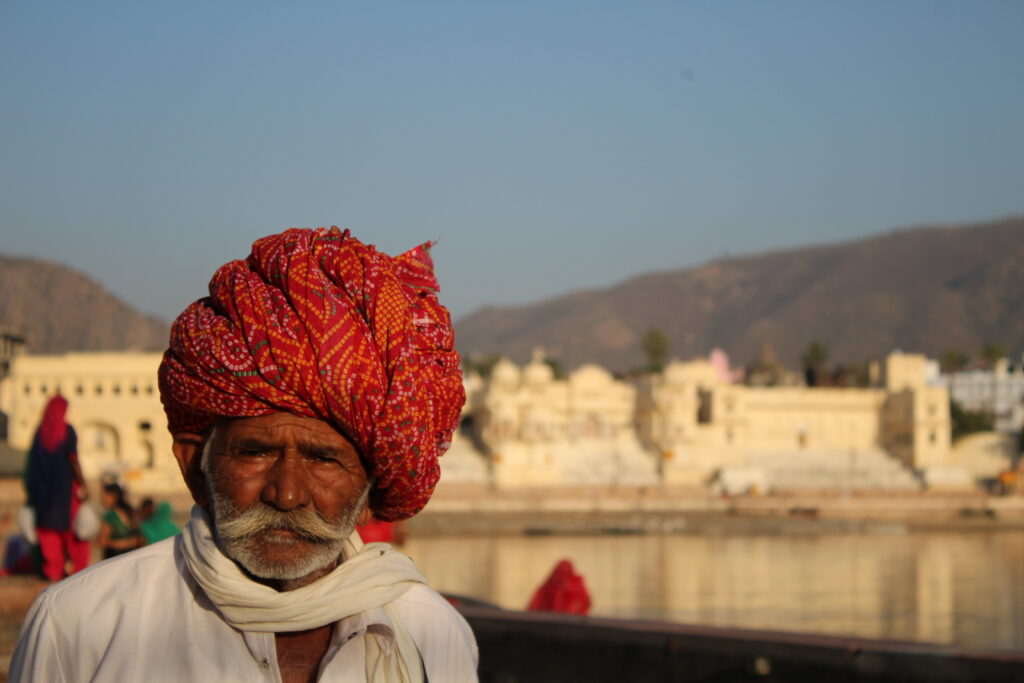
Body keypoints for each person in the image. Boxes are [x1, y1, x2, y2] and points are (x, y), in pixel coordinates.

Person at [12, 227, 477, 682]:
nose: (288, 493)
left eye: (324, 459)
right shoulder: (82, 627)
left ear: (370, 489)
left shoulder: (432, 634)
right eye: (255, 452)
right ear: (194, 467)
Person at [22, 395, 90, 581]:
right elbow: (73, 459)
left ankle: (53, 571)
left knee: (48, 534)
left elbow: (31, 465)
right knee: (73, 532)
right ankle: (78, 572)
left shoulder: (39, 433)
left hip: (42, 495)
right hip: (65, 493)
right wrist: (83, 483)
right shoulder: (67, 431)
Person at [97, 482, 142, 559]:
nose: (103, 498)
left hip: (114, 557)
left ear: (114, 496)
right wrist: (129, 543)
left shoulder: (110, 515)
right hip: (132, 556)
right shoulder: (131, 512)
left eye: (106, 495)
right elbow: (138, 539)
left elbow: (103, 542)